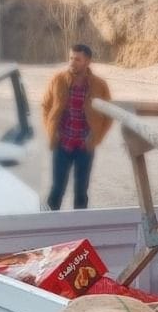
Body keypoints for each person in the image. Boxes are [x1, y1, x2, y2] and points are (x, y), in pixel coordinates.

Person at [41, 43, 113, 210]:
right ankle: (49, 227)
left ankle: (80, 230)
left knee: (81, 192)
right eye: (71, 58)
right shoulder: (57, 80)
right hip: (62, 144)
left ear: (87, 61)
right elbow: (45, 106)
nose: (72, 62)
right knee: (57, 190)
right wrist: (52, 131)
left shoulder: (99, 85)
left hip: (84, 147)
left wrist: (96, 138)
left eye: (77, 59)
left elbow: (109, 115)